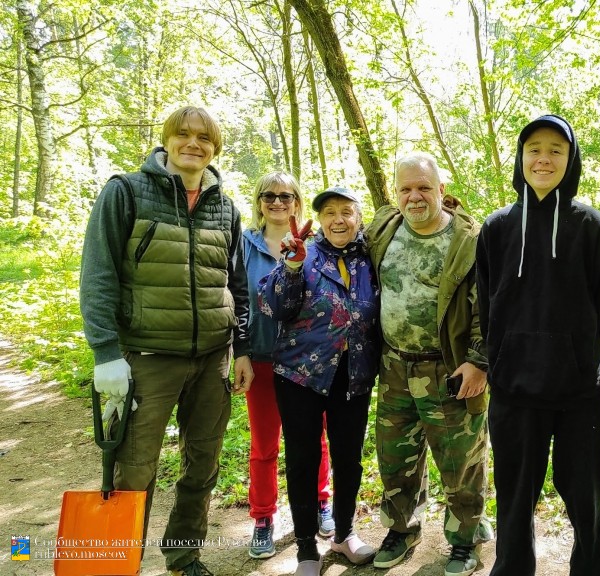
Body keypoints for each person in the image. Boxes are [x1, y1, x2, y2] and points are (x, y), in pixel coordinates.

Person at [80, 105, 254, 576]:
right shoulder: (126, 193)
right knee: (134, 470)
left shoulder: (225, 207)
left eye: (204, 137)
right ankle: (118, 564)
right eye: (184, 134)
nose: (193, 143)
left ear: (215, 148)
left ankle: (184, 556)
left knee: (202, 467)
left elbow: (235, 284)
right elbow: (98, 275)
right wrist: (106, 353)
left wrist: (241, 349)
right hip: (147, 359)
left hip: (214, 359)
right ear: (168, 139)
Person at [476, 114, 600, 576]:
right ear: (520, 159)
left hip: (579, 390)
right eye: (534, 149)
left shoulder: (595, 229)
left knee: (586, 496)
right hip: (515, 389)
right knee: (515, 498)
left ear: (571, 159)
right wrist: (502, 359)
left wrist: (578, 356)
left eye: (556, 150)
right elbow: (486, 304)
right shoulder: (497, 228)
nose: (544, 158)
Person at [364, 152, 491, 576]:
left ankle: (464, 539)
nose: (414, 196)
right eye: (405, 188)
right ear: (395, 193)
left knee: (461, 463)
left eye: (423, 187)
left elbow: (490, 309)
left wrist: (479, 362)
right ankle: (402, 530)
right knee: (395, 459)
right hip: (394, 368)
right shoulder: (383, 228)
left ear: (441, 189)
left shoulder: (469, 240)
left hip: (450, 370)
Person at [258, 186, 381, 575]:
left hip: (354, 374)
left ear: (359, 217)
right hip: (299, 375)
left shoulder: (372, 256)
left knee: (348, 458)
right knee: (302, 460)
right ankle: (307, 548)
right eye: (329, 213)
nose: (338, 220)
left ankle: (344, 534)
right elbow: (274, 306)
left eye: (346, 211)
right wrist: (291, 267)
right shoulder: (304, 252)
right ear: (320, 220)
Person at [241, 173, 335, 560]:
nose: (278, 202)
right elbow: (235, 297)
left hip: (307, 361)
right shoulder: (243, 246)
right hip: (261, 359)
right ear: (259, 201)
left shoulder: (316, 245)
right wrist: (240, 351)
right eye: (269, 196)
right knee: (264, 445)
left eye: (286, 196)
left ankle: (321, 502)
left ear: (297, 201)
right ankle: (263, 518)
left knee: (316, 438)